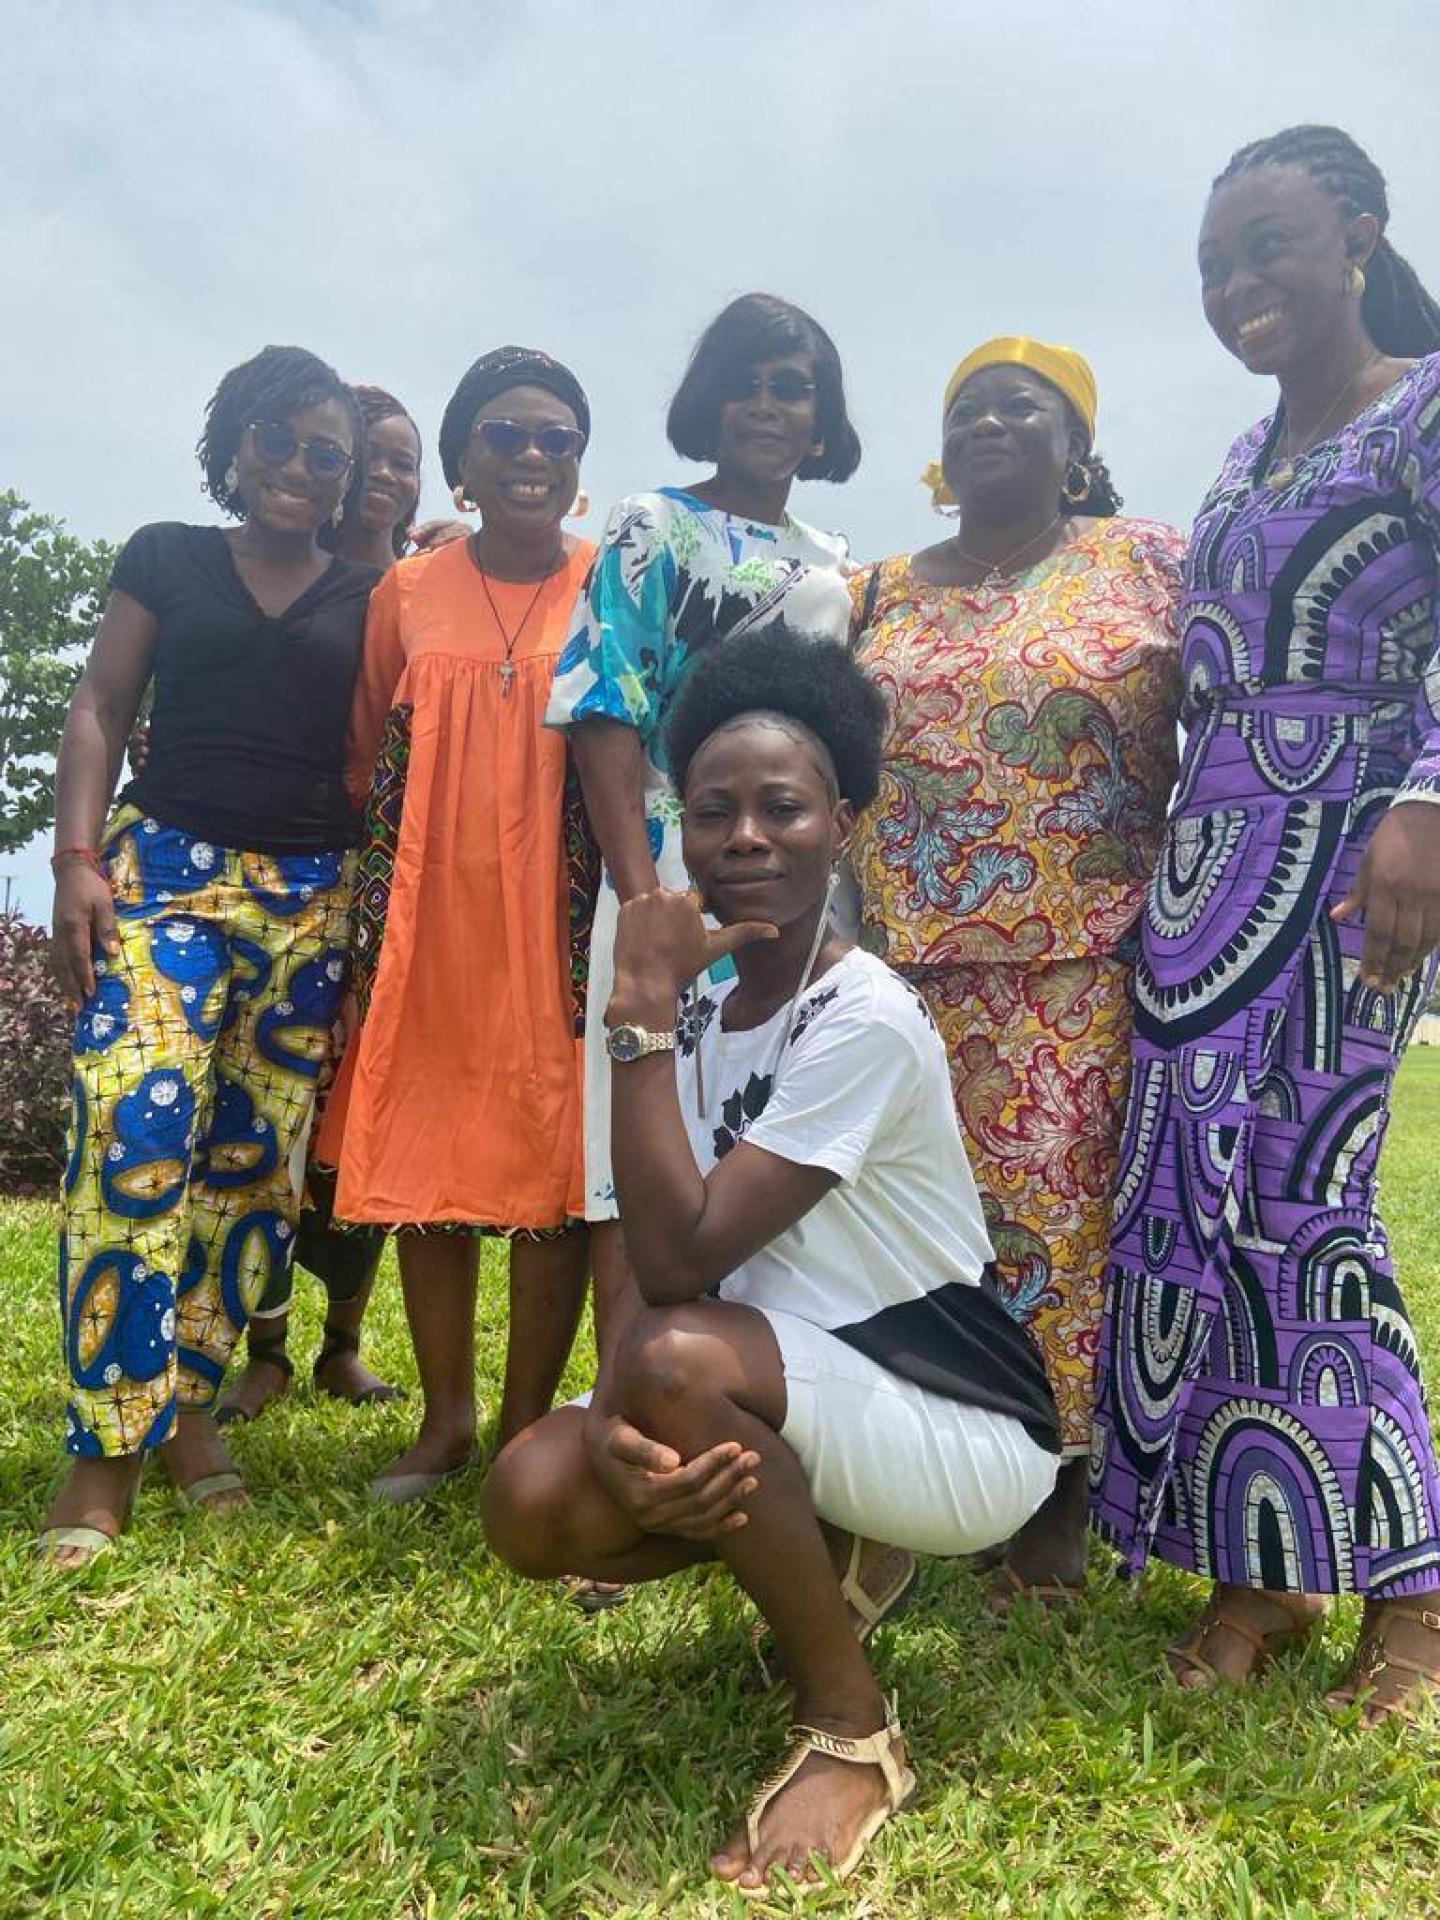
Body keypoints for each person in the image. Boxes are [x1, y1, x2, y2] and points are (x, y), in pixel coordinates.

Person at [483, 628, 1061, 1892]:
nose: (745, 836)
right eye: (712, 811)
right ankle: (844, 1546)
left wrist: (633, 1015)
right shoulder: (693, 1002)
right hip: (788, 1380)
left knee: (678, 1361)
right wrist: (616, 1430)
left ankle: (851, 1729)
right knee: (532, 1496)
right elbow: (642, 1238)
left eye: (783, 808)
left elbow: (681, 1260)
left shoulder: (865, 1016)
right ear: (682, 834)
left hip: (960, 1422)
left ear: (841, 825)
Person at [1089, 125, 1440, 1724]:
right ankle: (1267, 1567)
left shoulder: (1422, 411)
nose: (1238, 283)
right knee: (1200, 1213)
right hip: (1203, 873)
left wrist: (1425, 806)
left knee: (1312, 1206)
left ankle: (1417, 1591)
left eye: (1270, 245)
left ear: (1358, 235)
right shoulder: (1238, 458)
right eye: (1216, 263)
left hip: (1353, 855)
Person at [849, 339, 1184, 1606]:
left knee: (1056, 1236)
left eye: (1020, 406)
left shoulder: (1146, 561)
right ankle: (923, 1472)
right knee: (919, 1226)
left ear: (1075, 445)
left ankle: (1059, 1488)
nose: (989, 422)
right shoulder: (877, 589)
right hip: (902, 965)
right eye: (967, 409)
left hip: (1080, 964)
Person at [40, 345, 374, 1564]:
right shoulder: (167, 555)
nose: (299, 467)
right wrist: (77, 860)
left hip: (310, 901)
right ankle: (104, 1454)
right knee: (130, 1131)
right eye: (276, 439)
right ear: (232, 445)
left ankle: (188, 1415)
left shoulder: (372, 590)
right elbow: (99, 705)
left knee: (251, 1171)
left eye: (327, 454)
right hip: (162, 879)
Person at [546, 293, 859, 1387]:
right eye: (745, 383)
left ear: (822, 419)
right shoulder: (652, 525)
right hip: (671, 870)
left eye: (793, 388)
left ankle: (727, 1399)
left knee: (766, 1129)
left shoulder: (839, 562)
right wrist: (648, 901)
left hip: (799, 890)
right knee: (638, 1138)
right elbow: (603, 712)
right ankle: (624, 1409)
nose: (766, 406)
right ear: (709, 402)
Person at [318, 347, 596, 1501]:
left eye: (556, 439)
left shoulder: (610, 580)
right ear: (462, 466)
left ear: (578, 466)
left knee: (552, 1171)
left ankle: (528, 1426)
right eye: (504, 435)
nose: (532, 455)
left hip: (560, 917)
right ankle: (445, 1422)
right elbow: (365, 748)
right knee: (428, 1160)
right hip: (428, 918)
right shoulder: (406, 593)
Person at [219, 384, 424, 1424]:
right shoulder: (293, 580)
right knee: (274, 1107)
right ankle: (266, 1347)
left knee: (363, 1107)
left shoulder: (426, 585)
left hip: (389, 877)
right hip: (288, 869)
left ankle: (343, 1342)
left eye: (405, 459)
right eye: (370, 456)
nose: (386, 473)